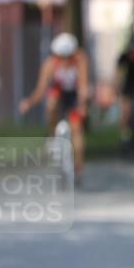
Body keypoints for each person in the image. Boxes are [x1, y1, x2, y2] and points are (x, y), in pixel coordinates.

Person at [20, 33, 90, 182]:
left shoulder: (80, 60)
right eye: (61, 56)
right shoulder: (50, 64)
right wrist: (29, 102)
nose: (65, 60)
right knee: (51, 102)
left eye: (68, 56)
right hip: (59, 92)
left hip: (74, 95)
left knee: (77, 130)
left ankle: (78, 168)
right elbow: (41, 89)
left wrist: (82, 105)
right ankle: (52, 134)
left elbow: (83, 86)